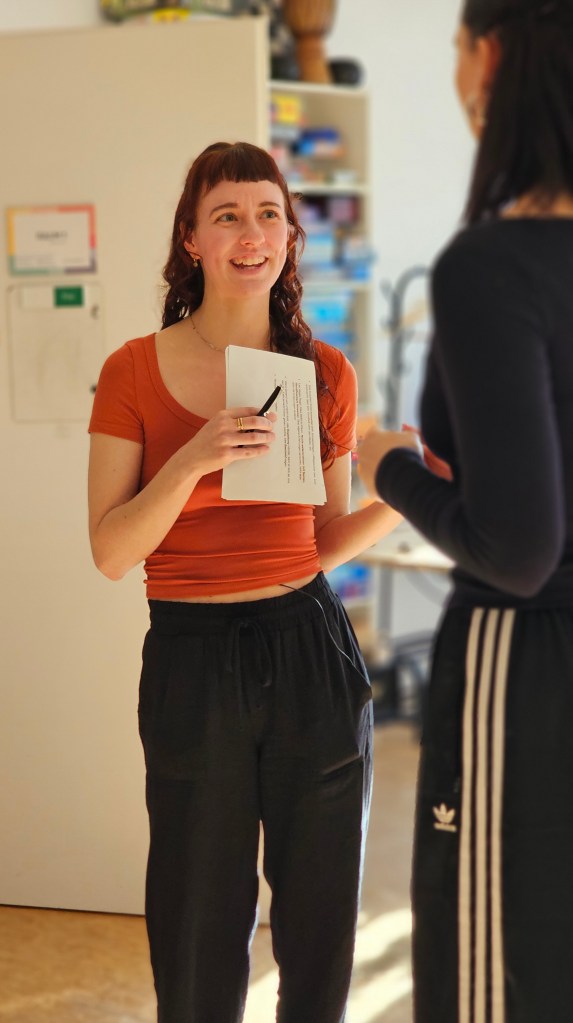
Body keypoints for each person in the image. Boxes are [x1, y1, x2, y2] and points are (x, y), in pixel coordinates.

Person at [88, 140, 402, 1023]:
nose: (251, 232)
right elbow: (111, 551)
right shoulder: (131, 371)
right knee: (197, 913)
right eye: (226, 215)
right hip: (191, 657)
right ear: (191, 239)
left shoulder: (322, 372)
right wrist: (193, 459)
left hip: (309, 648)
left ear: (291, 237)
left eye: (269, 214)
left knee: (320, 913)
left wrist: (407, 498)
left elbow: (319, 542)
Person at [358, 2, 573, 1021]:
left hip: (526, 665)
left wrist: (389, 468)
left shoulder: (491, 266)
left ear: (490, 58)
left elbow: (518, 548)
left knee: (496, 979)